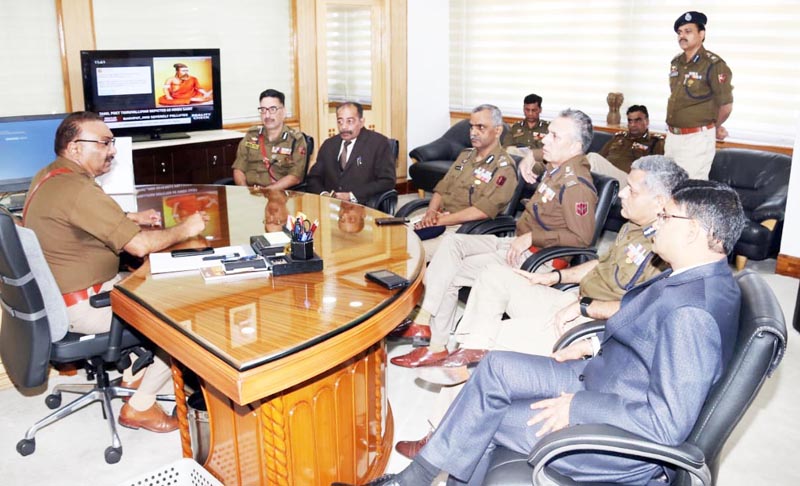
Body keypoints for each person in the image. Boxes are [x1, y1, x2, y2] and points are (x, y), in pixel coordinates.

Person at [341, 179, 746, 486]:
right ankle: (412, 480)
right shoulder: (689, 276)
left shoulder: (693, 312)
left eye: (666, 217)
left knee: (487, 417)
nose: (656, 225)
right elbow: (646, 330)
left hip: (614, 433)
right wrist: (592, 342)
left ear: (693, 231)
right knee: (495, 367)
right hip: (603, 375)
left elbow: (667, 424)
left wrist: (578, 409)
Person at [394, 156, 688, 459]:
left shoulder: (669, 246)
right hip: (573, 300)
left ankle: (440, 438)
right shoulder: (633, 226)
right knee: (494, 276)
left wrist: (586, 308)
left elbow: (643, 311)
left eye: (632, 190)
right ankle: (468, 354)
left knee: (495, 340)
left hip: (592, 324)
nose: (621, 193)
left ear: (659, 201)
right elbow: (600, 264)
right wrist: (555, 277)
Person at [24, 111, 208, 433]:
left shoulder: (50, 176)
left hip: (59, 299)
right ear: (75, 147)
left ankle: (134, 375)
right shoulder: (78, 189)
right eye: (104, 143)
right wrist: (186, 228)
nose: (112, 151)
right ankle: (140, 406)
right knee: (183, 315)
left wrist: (129, 217)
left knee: (154, 280)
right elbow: (139, 246)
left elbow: (79, 216)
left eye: (112, 143)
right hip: (87, 305)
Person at [391, 109, 597, 368]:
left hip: (536, 257)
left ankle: (435, 344)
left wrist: (533, 236)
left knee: (451, 273)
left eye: (554, 136)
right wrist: (529, 157)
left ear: (575, 146)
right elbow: (536, 154)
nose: (544, 139)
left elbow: (582, 238)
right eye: (548, 133)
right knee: (452, 245)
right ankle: (425, 323)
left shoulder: (576, 185)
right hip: (513, 243)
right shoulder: (557, 167)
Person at [413, 104, 518, 259]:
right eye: (471, 127)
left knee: (412, 252)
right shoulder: (465, 155)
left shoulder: (504, 167)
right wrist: (431, 213)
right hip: (439, 218)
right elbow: (442, 187)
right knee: (396, 235)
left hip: (464, 229)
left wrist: (441, 220)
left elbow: (482, 210)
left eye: (480, 127)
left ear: (498, 130)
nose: (473, 132)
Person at [665, 11, 733, 179]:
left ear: (701, 34)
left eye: (688, 31)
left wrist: (714, 127)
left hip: (696, 139)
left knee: (689, 188)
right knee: (667, 185)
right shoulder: (676, 62)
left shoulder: (713, 64)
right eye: (680, 32)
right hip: (672, 136)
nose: (682, 36)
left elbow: (725, 106)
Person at [306, 102, 396, 204]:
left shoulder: (378, 143)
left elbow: (387, 181)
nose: (344, 127)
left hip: (363, 206)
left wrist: (351, 196)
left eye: (349, 121)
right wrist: (324, 194)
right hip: (330, 206)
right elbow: (314, 178)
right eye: (340, 122)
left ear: (361, 122)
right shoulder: (329, 145)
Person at [232, 89, 309, 189]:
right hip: (250, 193)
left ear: (283, 112)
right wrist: (244, 190)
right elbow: (238, 168)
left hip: (278, 194)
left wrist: (268, 192)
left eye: (272, 109)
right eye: (263, 110)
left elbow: (295, 176)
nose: (267, 115)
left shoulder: (295, 140)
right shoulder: (251, 135)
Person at [587, 105, 665, 186]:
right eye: (630, 121)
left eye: (637, 121)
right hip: (606, 176)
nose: (633, 125)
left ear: (647, 121)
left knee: (592, 158)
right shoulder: (618, 138)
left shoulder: (654, 142)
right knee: (587, 159)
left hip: (629, 182)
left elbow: (657, 171)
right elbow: (601, 156)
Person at [502, 93, 549, 170]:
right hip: (517, 161)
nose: (530, 113)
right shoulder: (515, 127)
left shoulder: (547, 128)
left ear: (540, 110)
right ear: (523, 109)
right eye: (527, 110)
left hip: (537, 163)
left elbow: (551, 151)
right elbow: (506, 148)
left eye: (534, 110)